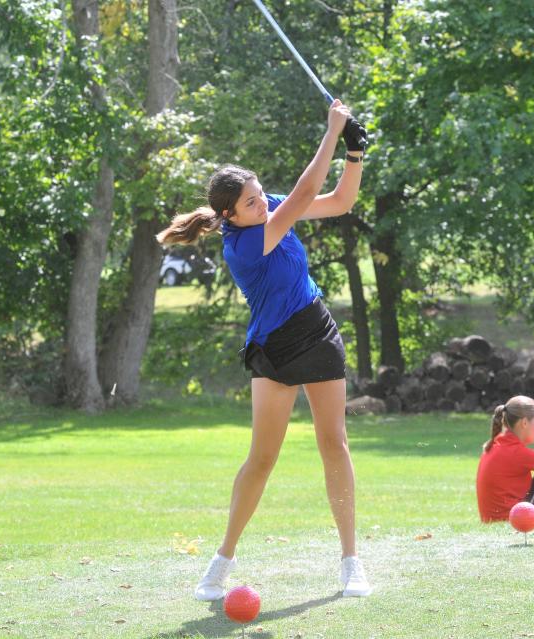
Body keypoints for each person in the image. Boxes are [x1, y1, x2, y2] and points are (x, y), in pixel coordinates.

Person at [156, 99, 370, 598]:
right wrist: (333, 132)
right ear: (229, 215)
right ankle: (220, 563)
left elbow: (338, 202)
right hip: (274, 348)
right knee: (262, 458)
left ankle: (351, 562)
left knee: (333, 442)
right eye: (252, 202)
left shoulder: (265, 210)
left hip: (316, 332)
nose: (264, 204)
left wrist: (354, 155)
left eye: (260, 194)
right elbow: (306, 191)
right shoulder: (244, 244)